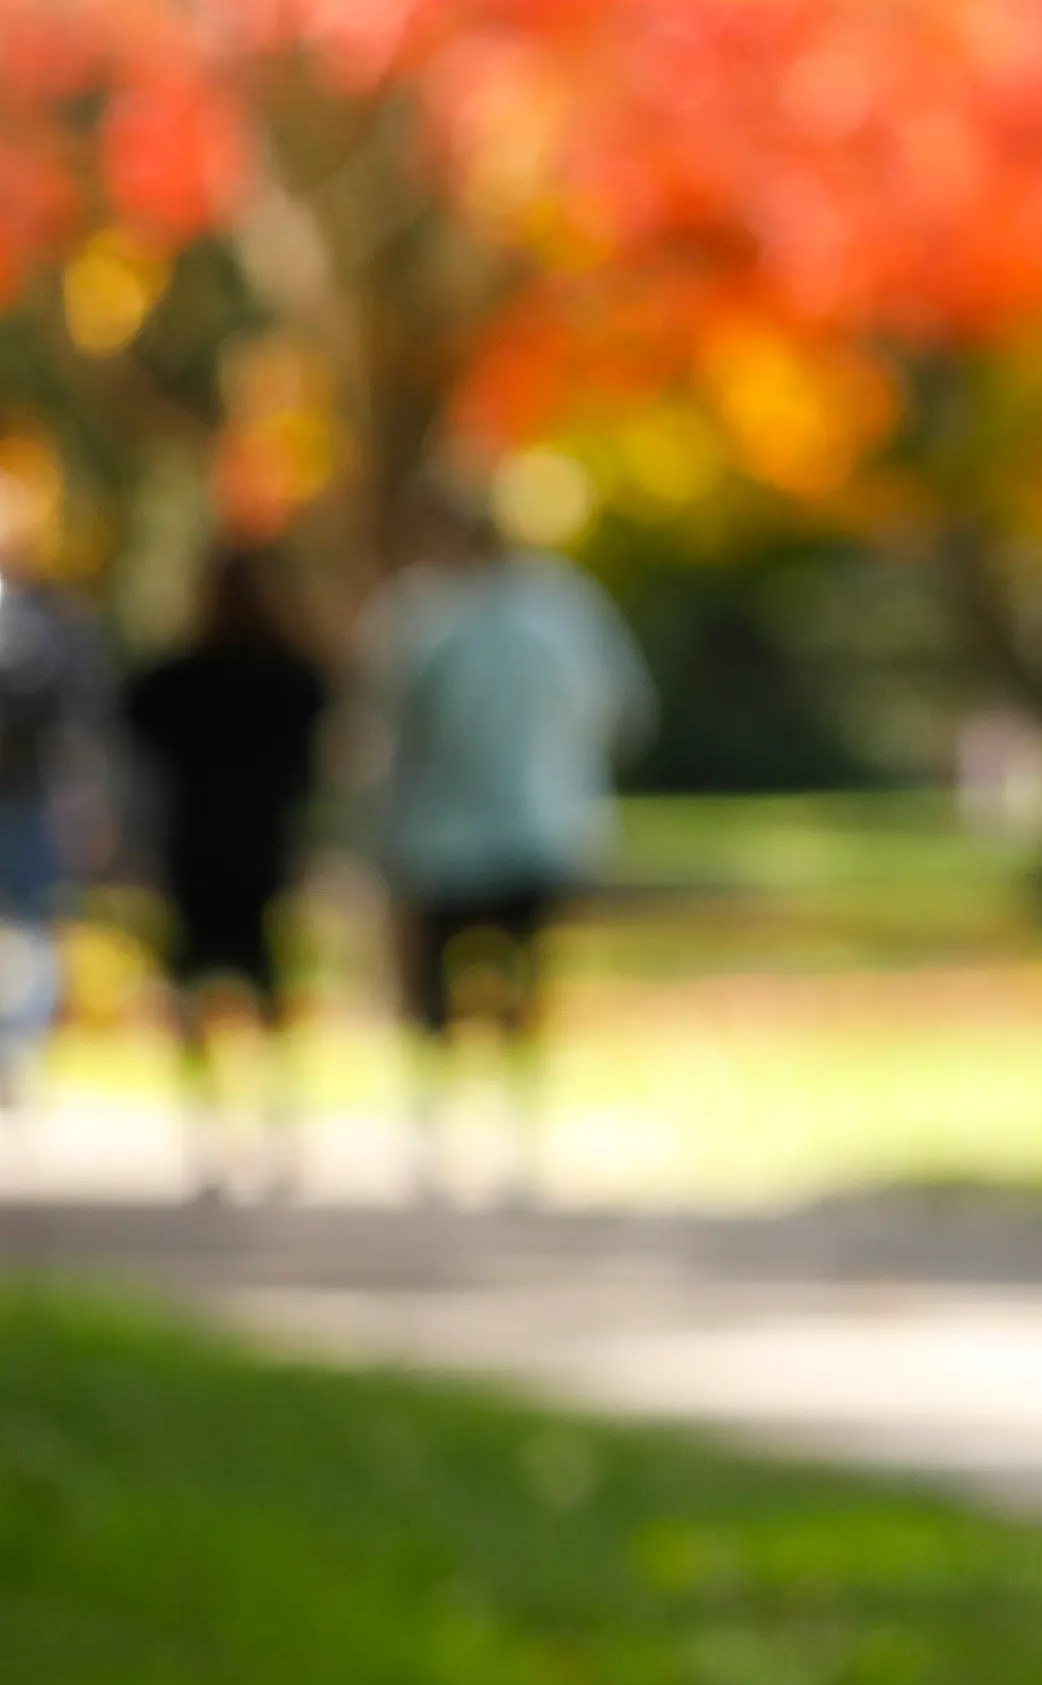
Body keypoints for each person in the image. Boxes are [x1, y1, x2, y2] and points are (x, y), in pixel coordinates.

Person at [359, 480, 650, 1205]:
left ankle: (434, 1138)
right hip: (541, 828)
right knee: (524, 987)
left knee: (437, 995)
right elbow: (622, 710)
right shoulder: (566, 609)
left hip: (439, 837)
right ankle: (521, 1136)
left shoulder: (418, 615)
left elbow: (381, 738)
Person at [126, 544, 336, 1203]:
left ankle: (209, 1139)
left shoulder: (184, 677)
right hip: (263, 852)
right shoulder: (289, 677)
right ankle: (277, 1135)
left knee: (196, 995)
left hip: (198, 851)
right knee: (266, 995)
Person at [0, 472, 108, 1119]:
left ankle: (16, 1052)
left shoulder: (54, 622)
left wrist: (84, 799)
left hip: (28, 798)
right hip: (30, 797)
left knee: (38, 931)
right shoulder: (53, 620)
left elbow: (77, 720)